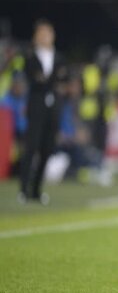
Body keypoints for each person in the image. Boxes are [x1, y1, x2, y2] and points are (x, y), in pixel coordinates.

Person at [19, 19, 68, 204]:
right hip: (36, 106)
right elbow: (36, 80)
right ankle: (24, 189)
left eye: (49, 33)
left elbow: (63, 79)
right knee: (31, 147)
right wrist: (52, 81)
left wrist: (49, 81)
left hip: (53, 107)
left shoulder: (59, 57)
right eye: (42, 33)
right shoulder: (30, 56)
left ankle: (37, 190)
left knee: (47, 148)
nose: (46, 37)